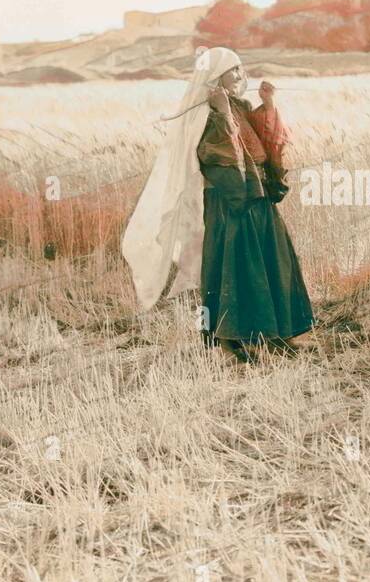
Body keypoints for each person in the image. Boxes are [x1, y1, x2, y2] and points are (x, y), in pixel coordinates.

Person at [121, 47, 314, 361]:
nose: (239, 76)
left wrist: (268, 105)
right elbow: (222, 156)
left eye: (240, 69)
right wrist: (222, 113)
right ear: (214, 76)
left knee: (270, 262)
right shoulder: (204, 114)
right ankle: (228, 339)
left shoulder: (238, 104)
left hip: (257, 198)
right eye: (232, 70)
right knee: (232, 268)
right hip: (231, 204)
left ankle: (274, 333)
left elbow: (261, 146)